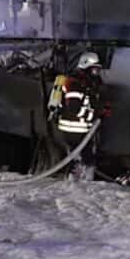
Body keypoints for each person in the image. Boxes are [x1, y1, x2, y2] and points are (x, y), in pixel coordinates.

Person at [47, 51, 110, 180]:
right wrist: (94, 116)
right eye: (94, 70)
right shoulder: (74, 83)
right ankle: (78, 183)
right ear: (86, 67)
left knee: (83, 158)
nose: (96, 73)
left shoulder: (87, 83)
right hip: (73, 129)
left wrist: (102, 108)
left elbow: (91, 101)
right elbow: (74, 108)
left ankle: (81, 182)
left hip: (82, 128)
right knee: (82, 159)